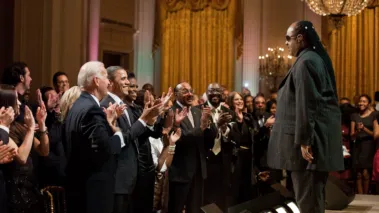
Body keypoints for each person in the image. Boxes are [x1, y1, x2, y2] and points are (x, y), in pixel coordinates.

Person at [267, 21, 344, 213]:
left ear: (300, 39)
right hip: (313, 144)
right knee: (312, 201)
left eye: (288, 38)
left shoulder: (306, 61)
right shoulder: (313, 59)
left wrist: (304, 141)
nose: (286, 43)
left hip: (308, 149)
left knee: (308, 203)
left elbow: (307, 104)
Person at [64, 61, 125, 213]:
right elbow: (105, 150)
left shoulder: (77, 106)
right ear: (96, 81)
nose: (109, 81)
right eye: (105, 76)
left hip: (79, 187)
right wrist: (117, 133)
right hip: (94, 191)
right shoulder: (92, 110)